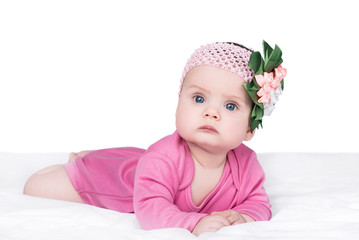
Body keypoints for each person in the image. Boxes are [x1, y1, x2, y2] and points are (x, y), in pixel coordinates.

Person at [23, 41, 287, 236]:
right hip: (114, 184)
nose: (211, 112)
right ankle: (82, 162)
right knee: (36, 186)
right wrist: (193, 223)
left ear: (250, 129)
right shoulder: (163, 156)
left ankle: (95, 155)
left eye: (230, 106)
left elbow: (258, 202)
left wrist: (245, 217)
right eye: (198, 99)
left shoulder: (247, 164)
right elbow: (150, 208)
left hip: (142, 163)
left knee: (136, 160)